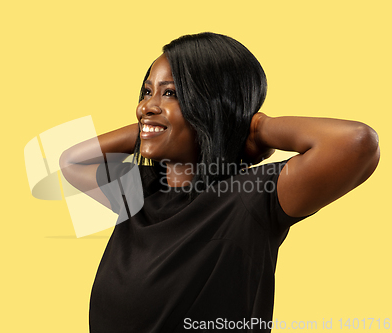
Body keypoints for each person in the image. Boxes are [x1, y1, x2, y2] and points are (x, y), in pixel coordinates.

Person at [59, 32, 380, 332]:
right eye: (146, 92)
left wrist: (254, 128)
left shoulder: (250, 195)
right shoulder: (140, 188)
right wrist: (149, 128)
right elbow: (70, 162)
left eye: (170, 92)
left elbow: (358, 143)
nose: (145, 106)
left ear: (214, 107)